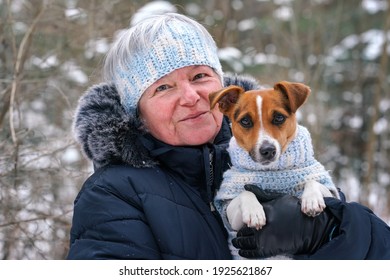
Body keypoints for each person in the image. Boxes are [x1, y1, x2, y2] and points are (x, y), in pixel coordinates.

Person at [67, 12, 390, 260]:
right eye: (163, 87)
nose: (191, 96)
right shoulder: (112, 195)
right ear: (137, 111)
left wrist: (331, 230)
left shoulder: (289, 160)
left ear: (221, 87)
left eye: (199, 76)